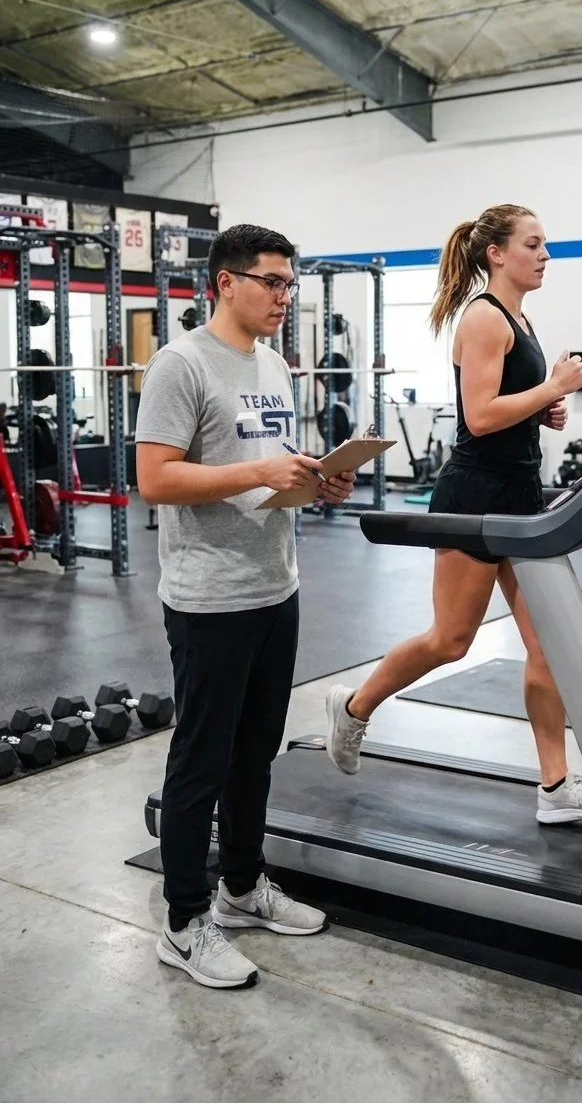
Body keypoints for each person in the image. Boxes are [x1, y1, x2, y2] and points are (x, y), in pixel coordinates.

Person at [324, 204, 582, 826]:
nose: (546, 255)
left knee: (548, 645)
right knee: (450, 641)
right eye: (534, 244)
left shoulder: (521, 319)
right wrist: (551, 388)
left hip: (521, 494)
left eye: (546, 244)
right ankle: (354, 706)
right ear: (496, 253)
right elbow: (478, 417)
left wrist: (543, 409)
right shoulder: (483, 317)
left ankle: (555, 787)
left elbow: (507, 404)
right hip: (475, 495)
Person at [136, 223, 355, 989]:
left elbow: (267, 469)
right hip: (209, 598)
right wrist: (259, 471)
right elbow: (156, 479)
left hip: (274, 586)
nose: (284, 297)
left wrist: (316, 479)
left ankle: (240, 888)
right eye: (272, 282)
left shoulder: (272, 365)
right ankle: (182, 923)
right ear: (225, 282)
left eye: (290, 283)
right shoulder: (181, 364)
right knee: (201, 763)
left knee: (255, 755)